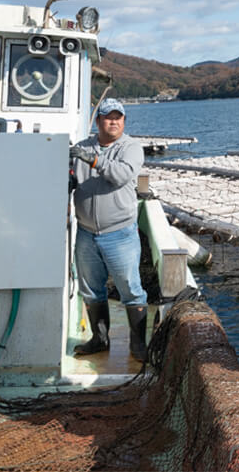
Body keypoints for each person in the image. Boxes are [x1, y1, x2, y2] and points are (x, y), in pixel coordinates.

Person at [69, 98, 148, 361]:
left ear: (123, 121)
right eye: (108, 117)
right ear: (98, 121)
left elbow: (120, 175)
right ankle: (99, 340)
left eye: (118, 117)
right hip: (86, 233)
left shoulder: (131, 148)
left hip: (120, 233)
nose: (113, 122)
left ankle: (138, 345)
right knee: (91, 290)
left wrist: (93, 160)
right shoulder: (82, 147)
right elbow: (72, 178)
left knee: (131, 289)